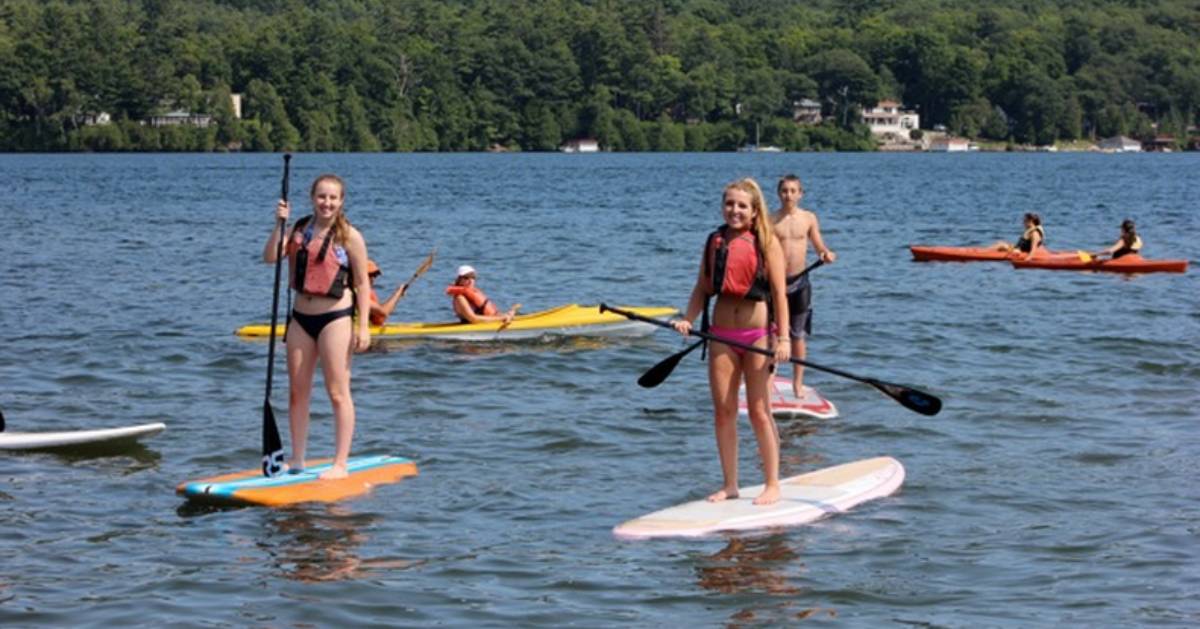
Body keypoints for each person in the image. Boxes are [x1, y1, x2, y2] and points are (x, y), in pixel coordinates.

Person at [672, 178, 790, 506]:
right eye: (729, 204)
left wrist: (783, 339)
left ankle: (772, 484)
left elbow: (780, 294)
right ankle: (731, 484)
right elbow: (702, 287)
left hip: (759, 335)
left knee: (758, 411)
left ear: (754, 212)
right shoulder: (714, 241)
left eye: (741, 206)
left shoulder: (767, 241)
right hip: (721, 335)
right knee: (723, 412)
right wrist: (688, 319)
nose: (734, 211)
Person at [262, 173, 370, 481]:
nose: (327, 203)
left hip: (335, 318)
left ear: (341, 201)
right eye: (322, 197)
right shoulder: (298, 229)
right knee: (297, 393)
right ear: (312, 198)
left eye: (333, 198)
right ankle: (297, 459)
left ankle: (340, 463)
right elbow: (270, 257)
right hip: (300, 318)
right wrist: (278, 224)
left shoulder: (349, 236)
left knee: (337, 392)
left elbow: (362, 283)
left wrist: (363, 327)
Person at [771, 174, 836, 398]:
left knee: (797, 335)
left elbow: (818, 244)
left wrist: (825, 254)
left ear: (800, 194)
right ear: (778, 194)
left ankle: (797, 383)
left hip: (800, 283)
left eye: (792, 191)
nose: (788, 195)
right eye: (784, 191)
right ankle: (770, 378)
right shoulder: (770, 220)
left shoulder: (808, 218)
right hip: (775, 285)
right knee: (773, 335)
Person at [446, 265, 519, 324]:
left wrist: (505, 315)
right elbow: (473, 319)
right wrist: (502, 318)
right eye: (466, 278)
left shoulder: (471, 293)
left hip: (487, 322)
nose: (471, 280)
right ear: (459, 280)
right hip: (471, 328)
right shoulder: (460, 298)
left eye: (473, 277)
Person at [366, 260, 407, 326]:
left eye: (375, 275)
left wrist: (397, 297)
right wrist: (397, 294)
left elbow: (379, 318)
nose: (373, 279)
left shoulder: (369, 293)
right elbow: (383, 312)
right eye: (370, 275)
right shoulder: (357, 294)